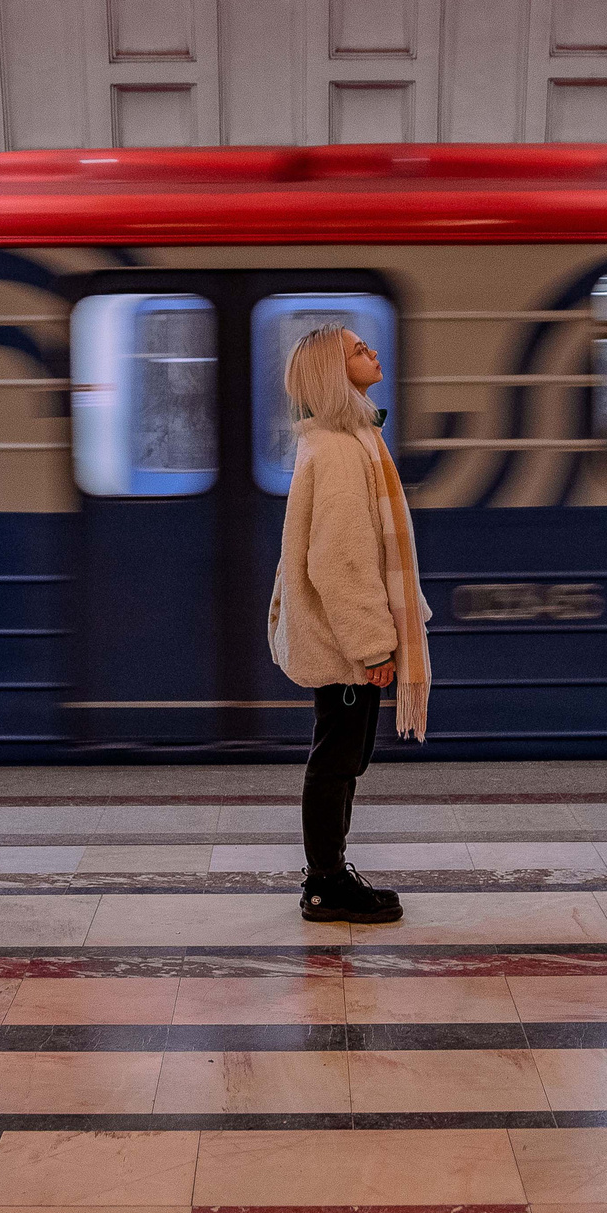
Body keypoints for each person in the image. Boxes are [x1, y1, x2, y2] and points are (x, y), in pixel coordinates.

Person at [267, 324, 430, 924]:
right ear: (332, 374)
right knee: (337, 757)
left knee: (344, 754)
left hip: (342, 639)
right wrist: (371, 645)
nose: (373, 353)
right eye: (359, 350)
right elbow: (339, 560)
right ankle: (326, 883)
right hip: (342, 643)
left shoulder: (348, 439)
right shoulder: (339, 450)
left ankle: (332, 873)